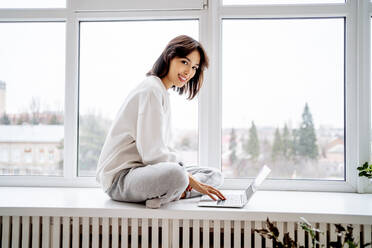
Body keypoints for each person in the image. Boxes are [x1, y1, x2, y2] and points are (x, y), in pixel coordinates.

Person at [96, 35, 226, 209]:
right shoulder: (151, 90)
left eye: (194, 67)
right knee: (178, 175)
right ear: (169, 57)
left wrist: (187, 173)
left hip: (144, 171)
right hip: (121, 179)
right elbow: (153, 154)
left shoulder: (161, 91)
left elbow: (162, 150)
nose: (189, 72)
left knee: (214, 175)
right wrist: (187, 177)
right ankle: (172, 192)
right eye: (184, 62)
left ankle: (174, 192)